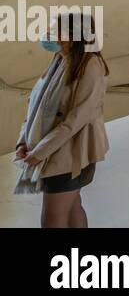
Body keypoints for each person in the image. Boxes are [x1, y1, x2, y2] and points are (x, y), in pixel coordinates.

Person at [13, 13, 109, 228]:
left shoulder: (91, 65)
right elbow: (36, 104)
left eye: (53, 32)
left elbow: (75, 121)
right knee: (72, 205)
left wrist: (39, 153)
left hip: (71, 152)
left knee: (53, 216)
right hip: (50, 149)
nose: (46, 35)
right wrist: (24, 141)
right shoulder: (60, 58)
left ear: (73, 36)